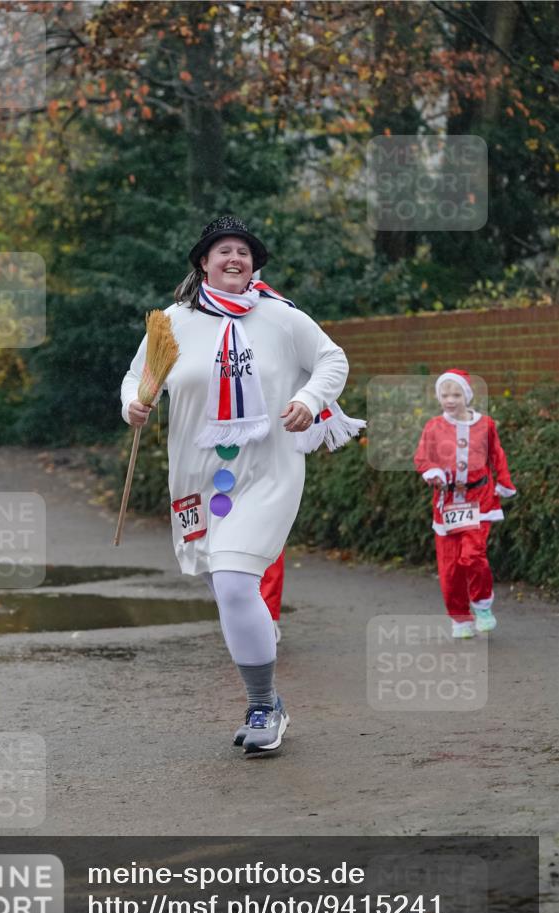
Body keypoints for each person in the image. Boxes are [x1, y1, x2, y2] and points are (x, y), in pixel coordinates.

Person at [121, 216, 364, 753]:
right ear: (203, 262)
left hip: (268, 472)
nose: (236, 258)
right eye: (224, 251)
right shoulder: (173, 322)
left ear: (254, 264)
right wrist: (133, 403)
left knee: (234, 582)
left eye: (244, 252)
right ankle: (268, 701)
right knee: (225, 588)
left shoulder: (280, 316)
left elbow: (331, 359)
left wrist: (309, 401)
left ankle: (262, 705)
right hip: (196, 479)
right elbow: (138, 377)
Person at [413, 369, 516, 639]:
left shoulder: (485, 424)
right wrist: (432, 471)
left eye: (456, 394)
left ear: (467, 395)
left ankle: (483, 605)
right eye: (444, 394)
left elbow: (497, 454)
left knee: (472, 555)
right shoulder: (433, 426)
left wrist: (504, 481)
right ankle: (460, 618)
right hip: (446, 505)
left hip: (479, 501)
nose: (450, 399)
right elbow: (423, 457)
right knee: (450, 569)